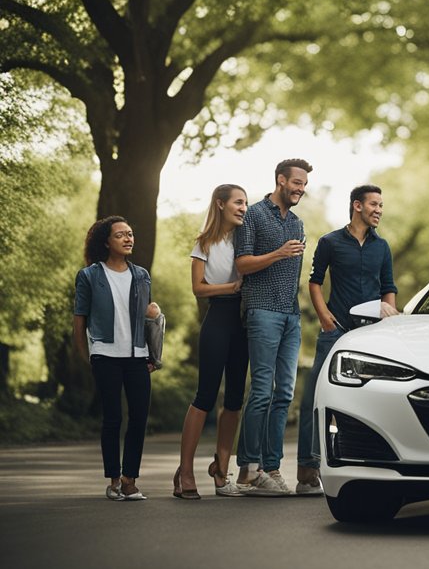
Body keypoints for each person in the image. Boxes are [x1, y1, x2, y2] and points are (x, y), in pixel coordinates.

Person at [295, 185, 398, 495]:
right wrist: (325, 317)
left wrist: (388, 317)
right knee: (315, 395)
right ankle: (306, 468)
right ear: (357, 206)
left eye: (381, 204)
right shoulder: (330, 242)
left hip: (371, 335)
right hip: (336, 330)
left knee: (374, 395)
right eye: (374, 204)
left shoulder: (383, 247)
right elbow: (315, 283)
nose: (379, 209)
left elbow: (388, 287)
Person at [234, 158, 311, 496]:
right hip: (262, 311)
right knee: (262, 391)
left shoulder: (297, 223)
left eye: (304, 184)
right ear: (280, 180)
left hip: (290, 316)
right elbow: (242, 264)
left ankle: (272, 467)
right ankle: (248, 470)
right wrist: (279, 253)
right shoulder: (253, 215)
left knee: (285, 395)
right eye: (296, 182)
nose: (300, 189)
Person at [73, 216, 160, 501]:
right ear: (106, 241)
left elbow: (148, 319)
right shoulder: (89, 276)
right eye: (121, 234)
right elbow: (80, 319)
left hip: (137, 355)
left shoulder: (141, 275)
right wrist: (86, 355)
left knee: (139, 418)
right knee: (112, 418)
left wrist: (151, 351)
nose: (128, 238)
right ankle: (113, 481)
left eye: (131, 234)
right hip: (105, 355)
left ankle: (130, 480)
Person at [173, 185, 249, 499]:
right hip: (218, 318)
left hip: (243, 323)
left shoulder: (247, 239)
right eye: (238, 202)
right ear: (220, 204)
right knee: (205, 396)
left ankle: (221, 470)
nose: (244, 207)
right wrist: (232, 287)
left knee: (234, 400)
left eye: (246, 202)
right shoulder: (204, 242)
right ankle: (185, 472)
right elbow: (198, 288)